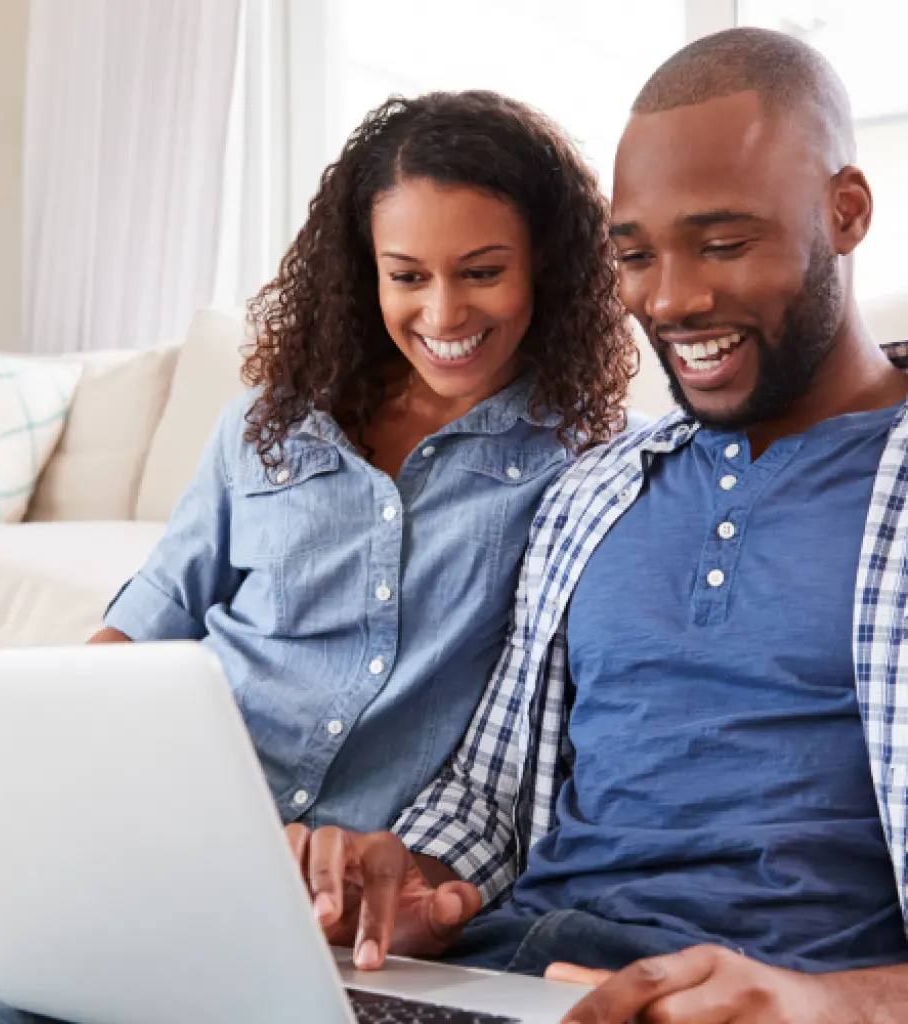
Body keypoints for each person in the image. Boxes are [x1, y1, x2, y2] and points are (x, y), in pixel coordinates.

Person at [0, 90, 634, 1009]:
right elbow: (153, 613)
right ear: (364, 273)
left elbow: (530, 734)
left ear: (546, 264)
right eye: (407, 275)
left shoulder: (584, 468)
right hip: (167, 847)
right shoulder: (269, 426)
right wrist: (52, 792)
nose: (443, 310)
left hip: (357, 896)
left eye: (481, 271)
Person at [279, 26, 908, 1024]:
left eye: (724, 242)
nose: (671, 297)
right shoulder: (594, 489)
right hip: (505, 970)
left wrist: (831, 1003)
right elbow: (488, 794)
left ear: (845, 211)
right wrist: (405, 879)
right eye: (635, 254)